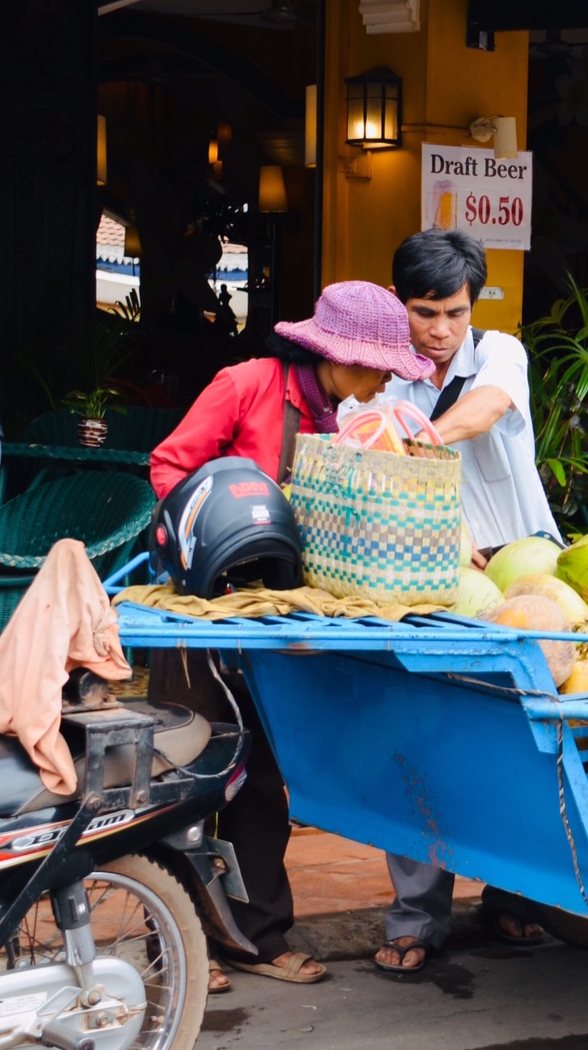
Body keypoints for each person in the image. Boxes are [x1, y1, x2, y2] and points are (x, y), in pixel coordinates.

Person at [150, 280, 432, 992]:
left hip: (277, 625)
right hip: (202, 614)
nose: (385, 379)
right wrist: (213, 540)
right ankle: (180, 941)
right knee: (185, 779)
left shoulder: (342, 423)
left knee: (263, 781)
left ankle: (258, 934)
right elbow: (171, 464)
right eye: (379, 365)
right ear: (337, 354)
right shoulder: (245, 383)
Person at [370, 230, 560, 977]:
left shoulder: (501, 353)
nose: (440, 329)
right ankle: (417, 916)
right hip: (432, 582)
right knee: (424, 742)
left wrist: (417, 440)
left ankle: (515, 897)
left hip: (525, 571)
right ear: (401, 307)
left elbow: (485, 410)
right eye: (424, 312)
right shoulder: (386, 379)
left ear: (472, 305)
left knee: (523, 741)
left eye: (453, 311)